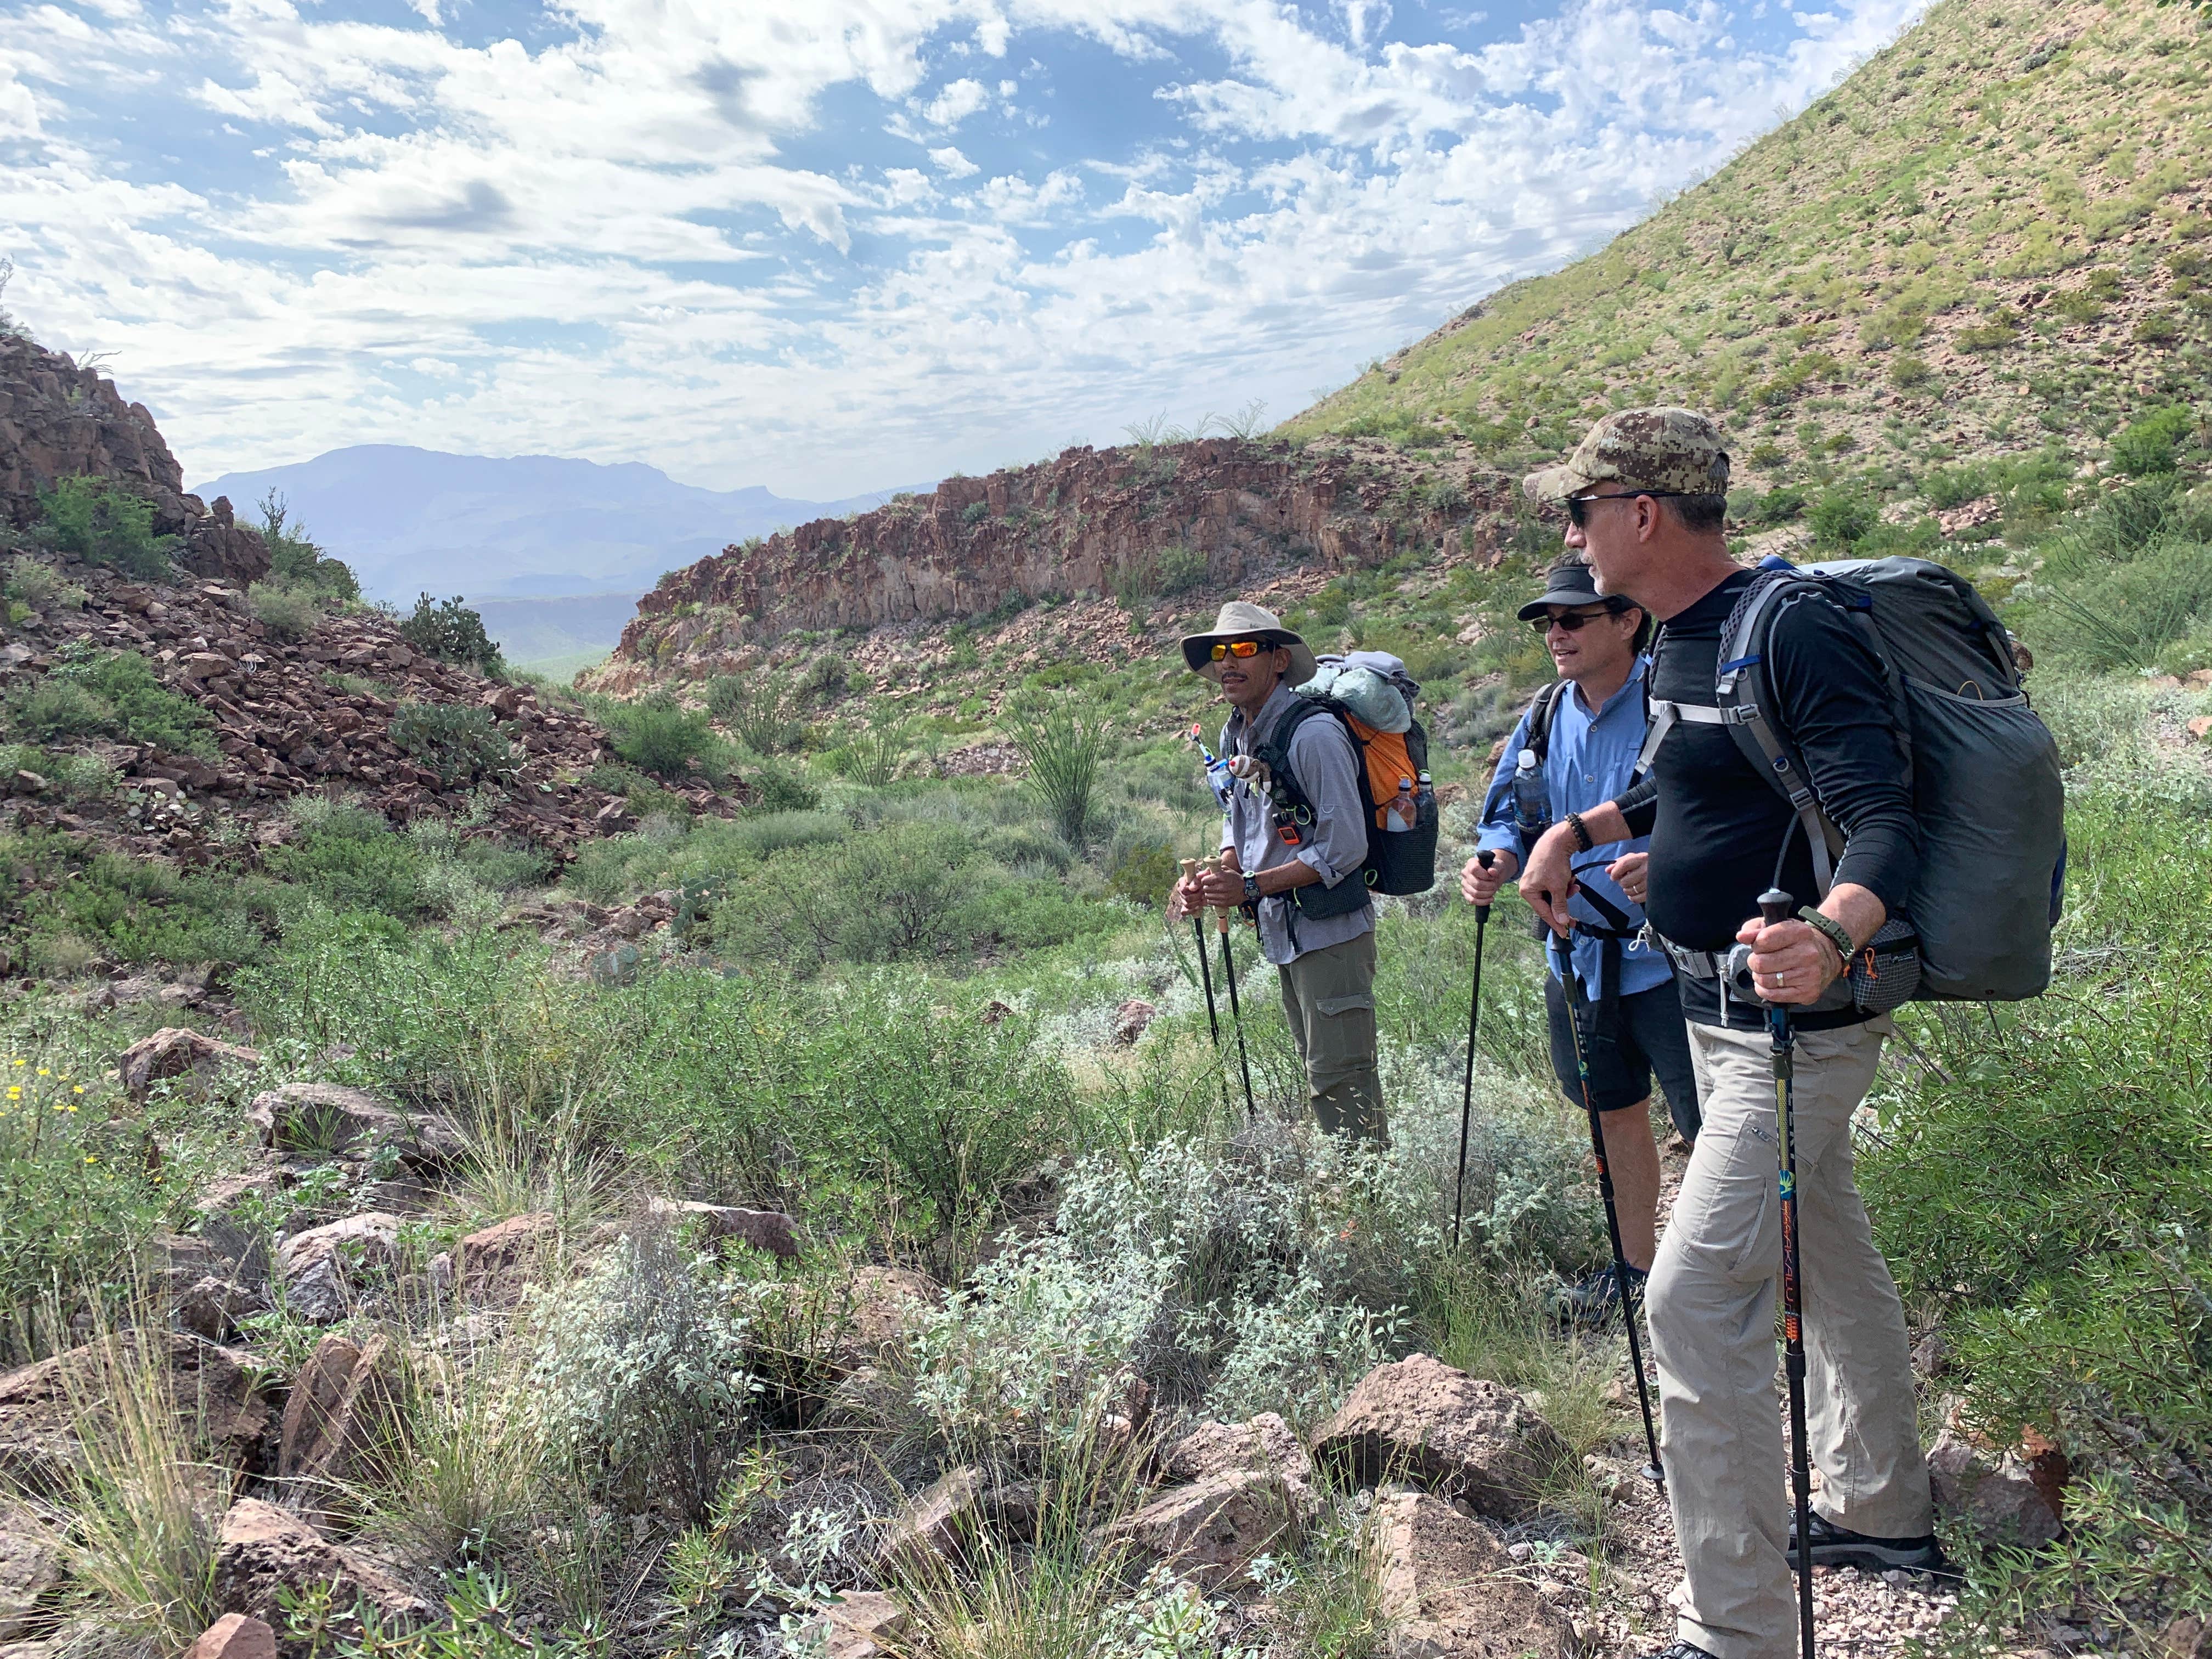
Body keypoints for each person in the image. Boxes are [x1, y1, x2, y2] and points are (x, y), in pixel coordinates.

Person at [1515, 409, 1940, 1659]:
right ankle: (1882, 1508)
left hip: (1789, 1023)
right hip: (1706, 1007)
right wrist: (1585, 836)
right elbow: (1686, 787)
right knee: (1831, 1247)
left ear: (1641, 512)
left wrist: (1835, 929)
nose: (1570, 533)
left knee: (1695, 1304)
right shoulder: (1679, 642)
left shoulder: (1791, 625)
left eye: (1577, 507)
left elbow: (1882, 817)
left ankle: (1738, 1629)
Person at [1463, 556, 1700, 1324]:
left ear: (1629, 620)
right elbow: (1505, 813)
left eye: (1572, 619)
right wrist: (1495, 858)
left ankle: (1730, 1276)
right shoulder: (1540, 716)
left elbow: (1710, 805)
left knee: (1714, 1124)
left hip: (1671, 958)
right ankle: (1637, 1270)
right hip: (1576, 960)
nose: (1554, 635)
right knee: (1614, 1109)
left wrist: (1664, 861)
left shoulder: (1672, 701)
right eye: (1545, 623)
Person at [1169, 601, 1385, 1141]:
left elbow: (1344, 849)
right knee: (1321, 1068)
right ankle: (1356, 1204)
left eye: (1244, 650)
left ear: (1279, 660)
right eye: (1220, 653)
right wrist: (1219, 880)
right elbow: (1238, 827)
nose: (1228, 663)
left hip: (1330, 933)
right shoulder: (1233, 737)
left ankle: (1367, 1214)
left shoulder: (1313, 736)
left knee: (1341, 1078)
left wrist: (1250, 887)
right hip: (1285, 934)